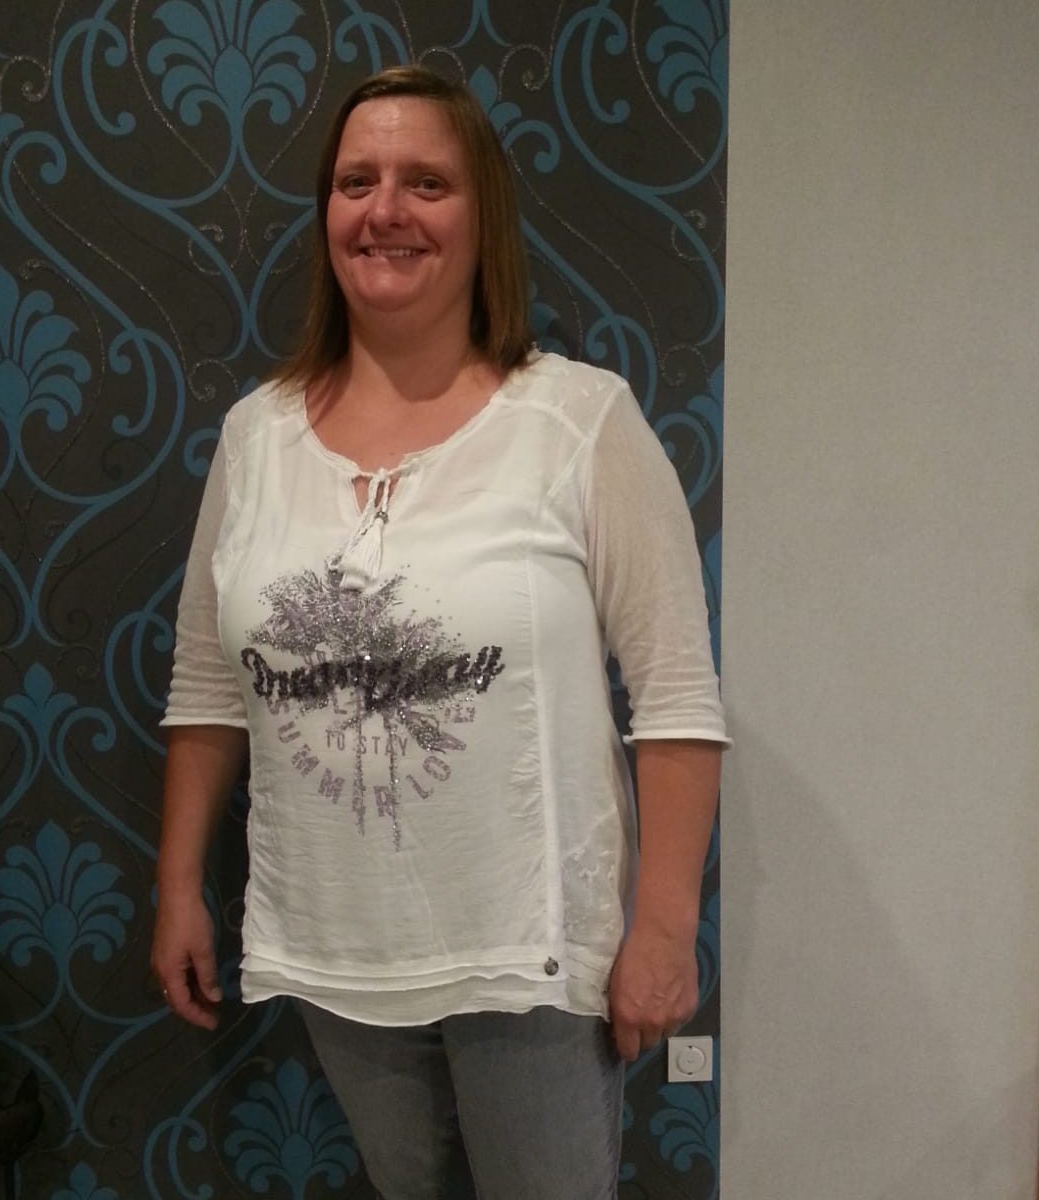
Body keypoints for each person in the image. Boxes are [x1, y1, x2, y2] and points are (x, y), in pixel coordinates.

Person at [152, 64, 729, 1199]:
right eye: (355, 181)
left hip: (530, 957)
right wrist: (179, 883)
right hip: (336, 948)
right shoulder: (256, 438)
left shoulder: (576, 421)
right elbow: (209, 686)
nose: (386, 210)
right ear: (327, 213)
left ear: (482, 218)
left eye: (427, 182)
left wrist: (663, 929)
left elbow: (676, 699)